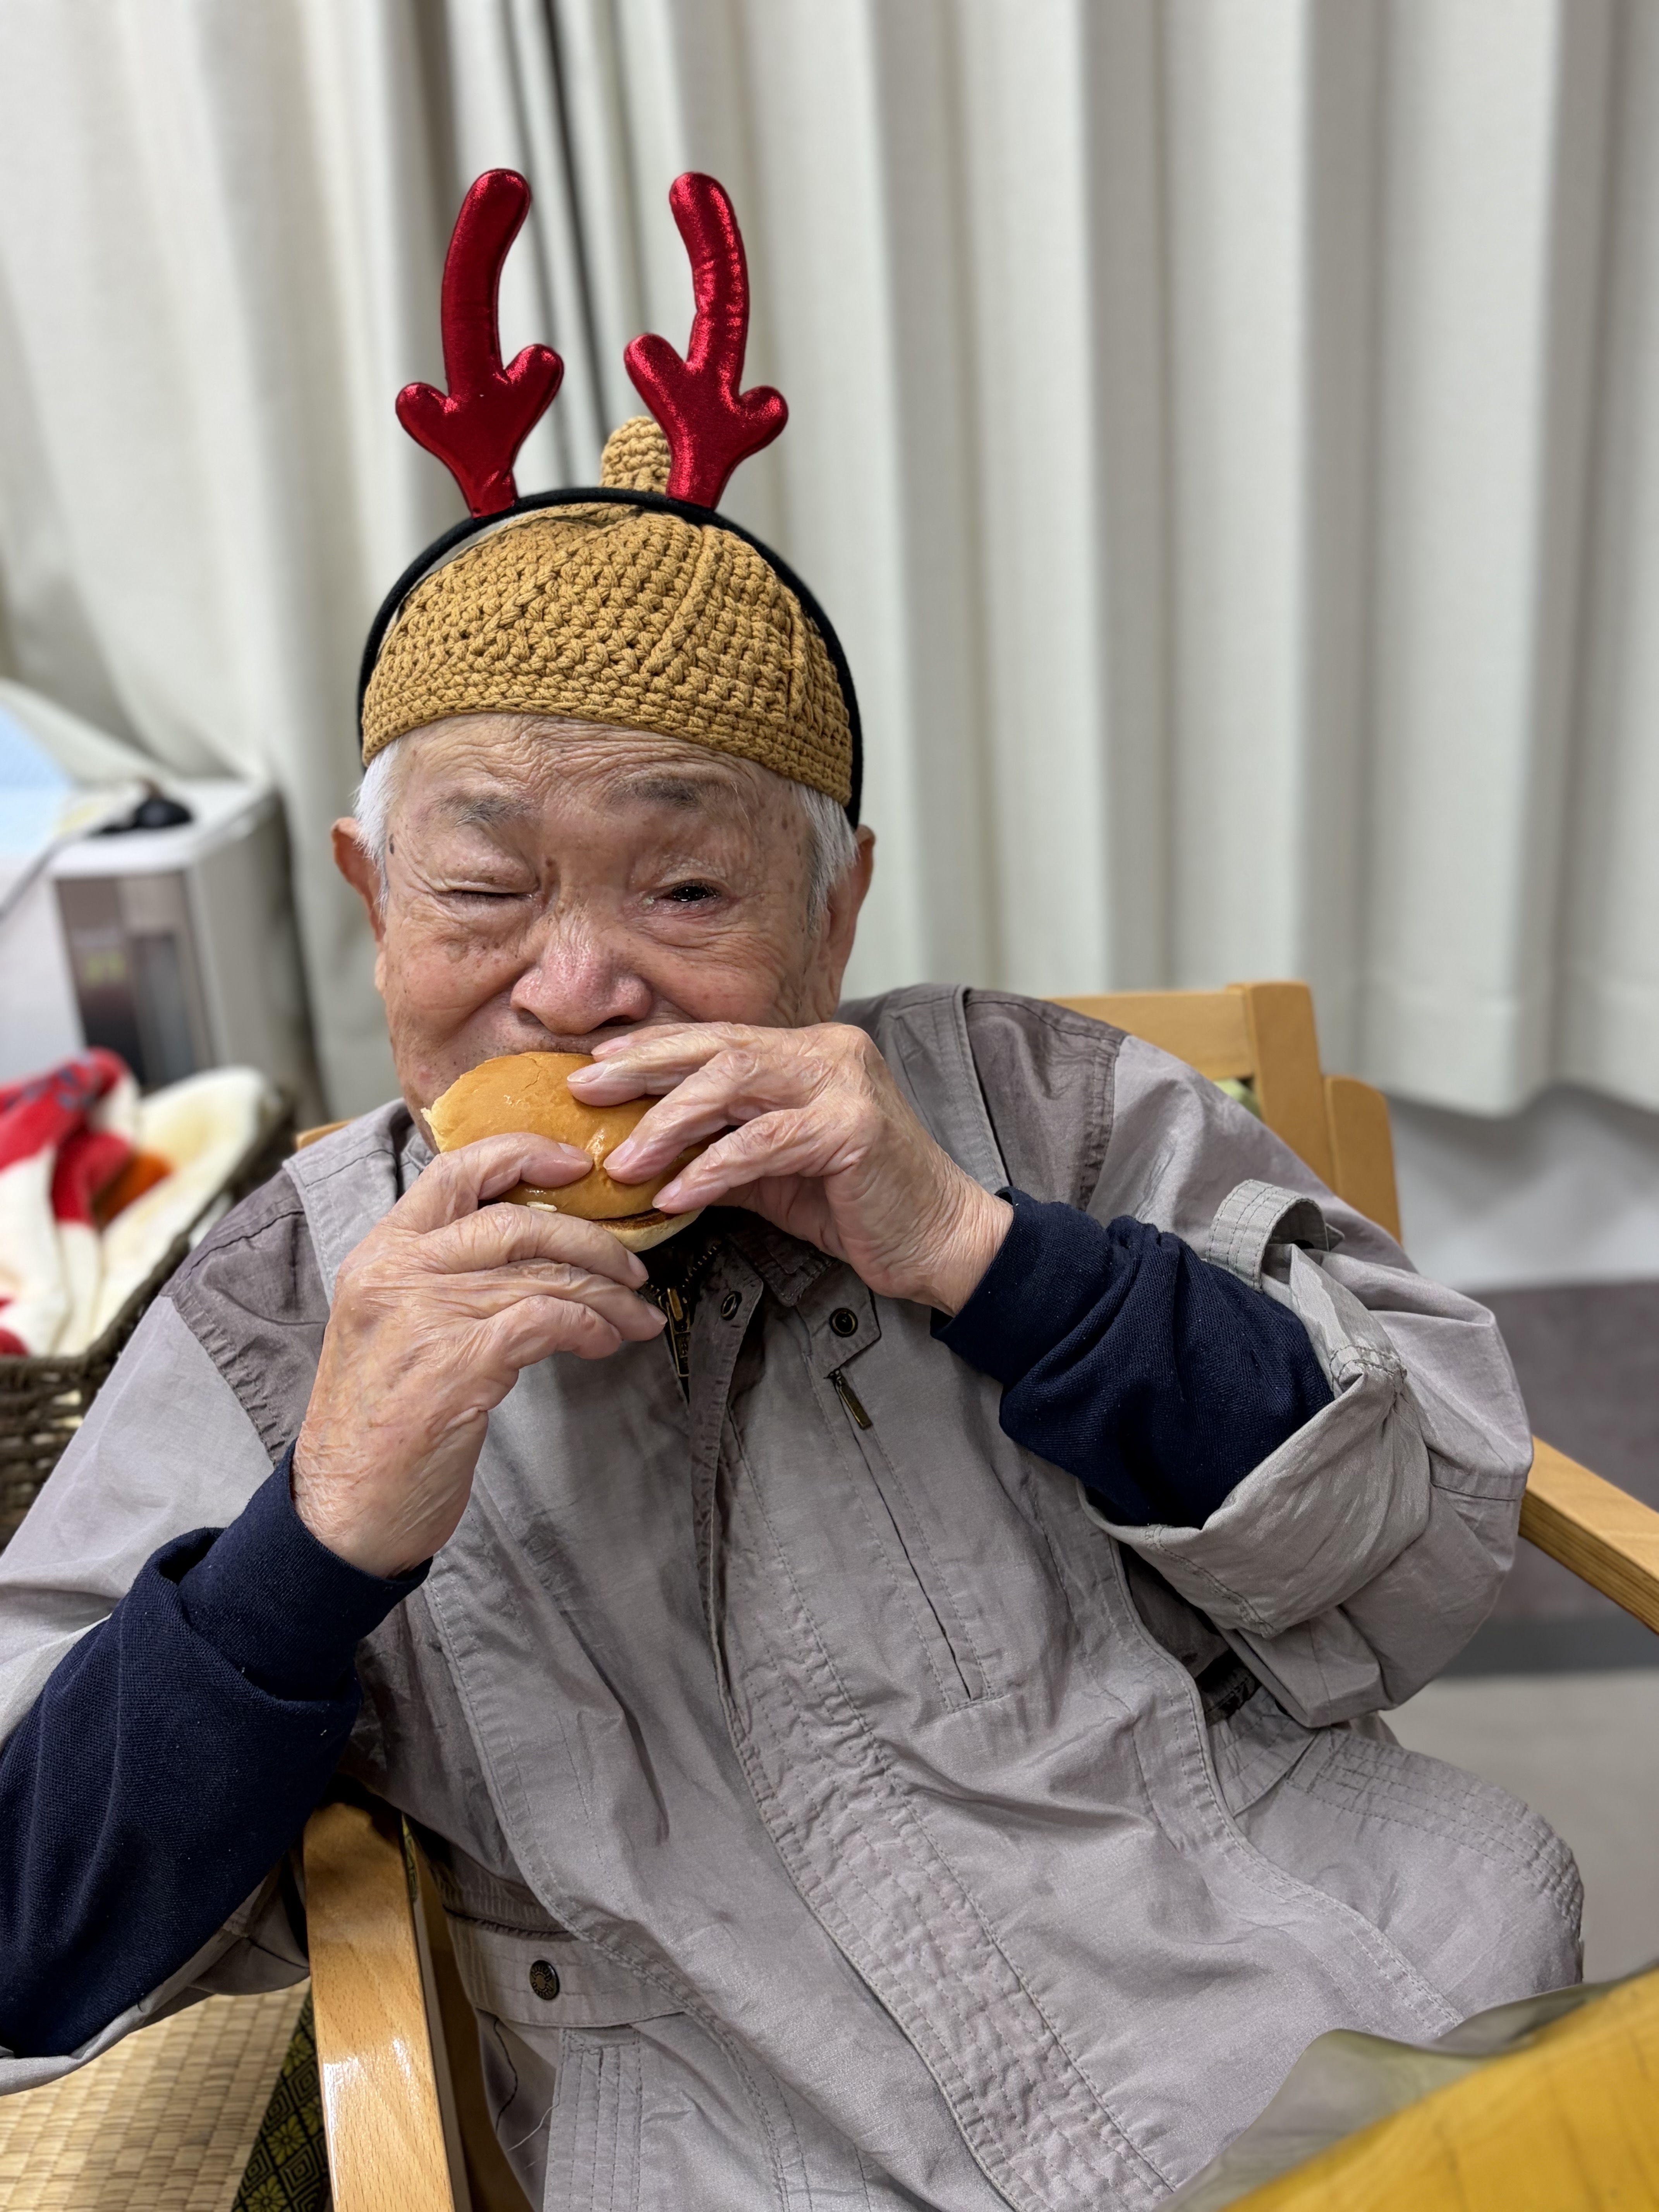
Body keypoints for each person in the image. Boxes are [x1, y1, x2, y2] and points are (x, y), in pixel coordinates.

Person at [0, 171, 1579, 2208]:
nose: (578, 985)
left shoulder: (1036, 1103)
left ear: (835, 911)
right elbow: (31, 1937)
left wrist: (994, 1260)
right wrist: (316, 1540)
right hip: (744, 2143)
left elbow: (1414, 1553)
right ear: (374, 903)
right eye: (483, 886)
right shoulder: (277, 1310)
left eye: (686, 888)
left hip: (1280, 1993)